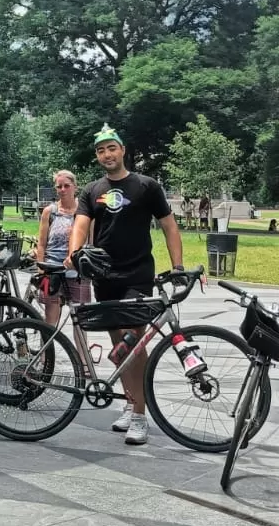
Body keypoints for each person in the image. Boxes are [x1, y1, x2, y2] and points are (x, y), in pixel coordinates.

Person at [66, 123, 183, 446]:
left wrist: (178, 266)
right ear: (98, 156)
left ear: (122, 150)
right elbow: (80, 224)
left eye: (111, 148)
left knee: (135, 344)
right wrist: (75, 253)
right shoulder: (92, 191)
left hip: (137, 275)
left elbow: (169, 227)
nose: (107, 154)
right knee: (119, 347)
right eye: (101, 150)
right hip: (105, 276)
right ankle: (131, 404)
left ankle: (142, 416)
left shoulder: (146, 186)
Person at [36, 169, 91, 348]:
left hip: (77, 272)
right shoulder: (49, 212)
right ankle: (45, 359)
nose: (62, 189)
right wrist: (41, 269)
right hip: (51, 271)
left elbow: (91, 242)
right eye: (59, 186)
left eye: (67, 186)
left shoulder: (85, 213)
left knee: (81, 320)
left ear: (75, 187)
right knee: (50, 319)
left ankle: (83, 361)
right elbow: (42, 243)